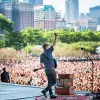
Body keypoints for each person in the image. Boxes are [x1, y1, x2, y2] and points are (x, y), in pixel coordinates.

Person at [40, 33, 57, 99]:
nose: (49, 47)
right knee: (54, 82)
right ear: (47, 47)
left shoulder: (41, 55)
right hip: (51, 68)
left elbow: (41, 65)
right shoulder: (49, 51)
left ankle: (51, 94)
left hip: (46, 69)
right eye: (48, 46)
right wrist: (55, 37)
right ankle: (45, 91)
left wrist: (44, 66)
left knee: (50, 82)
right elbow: (54, 44)